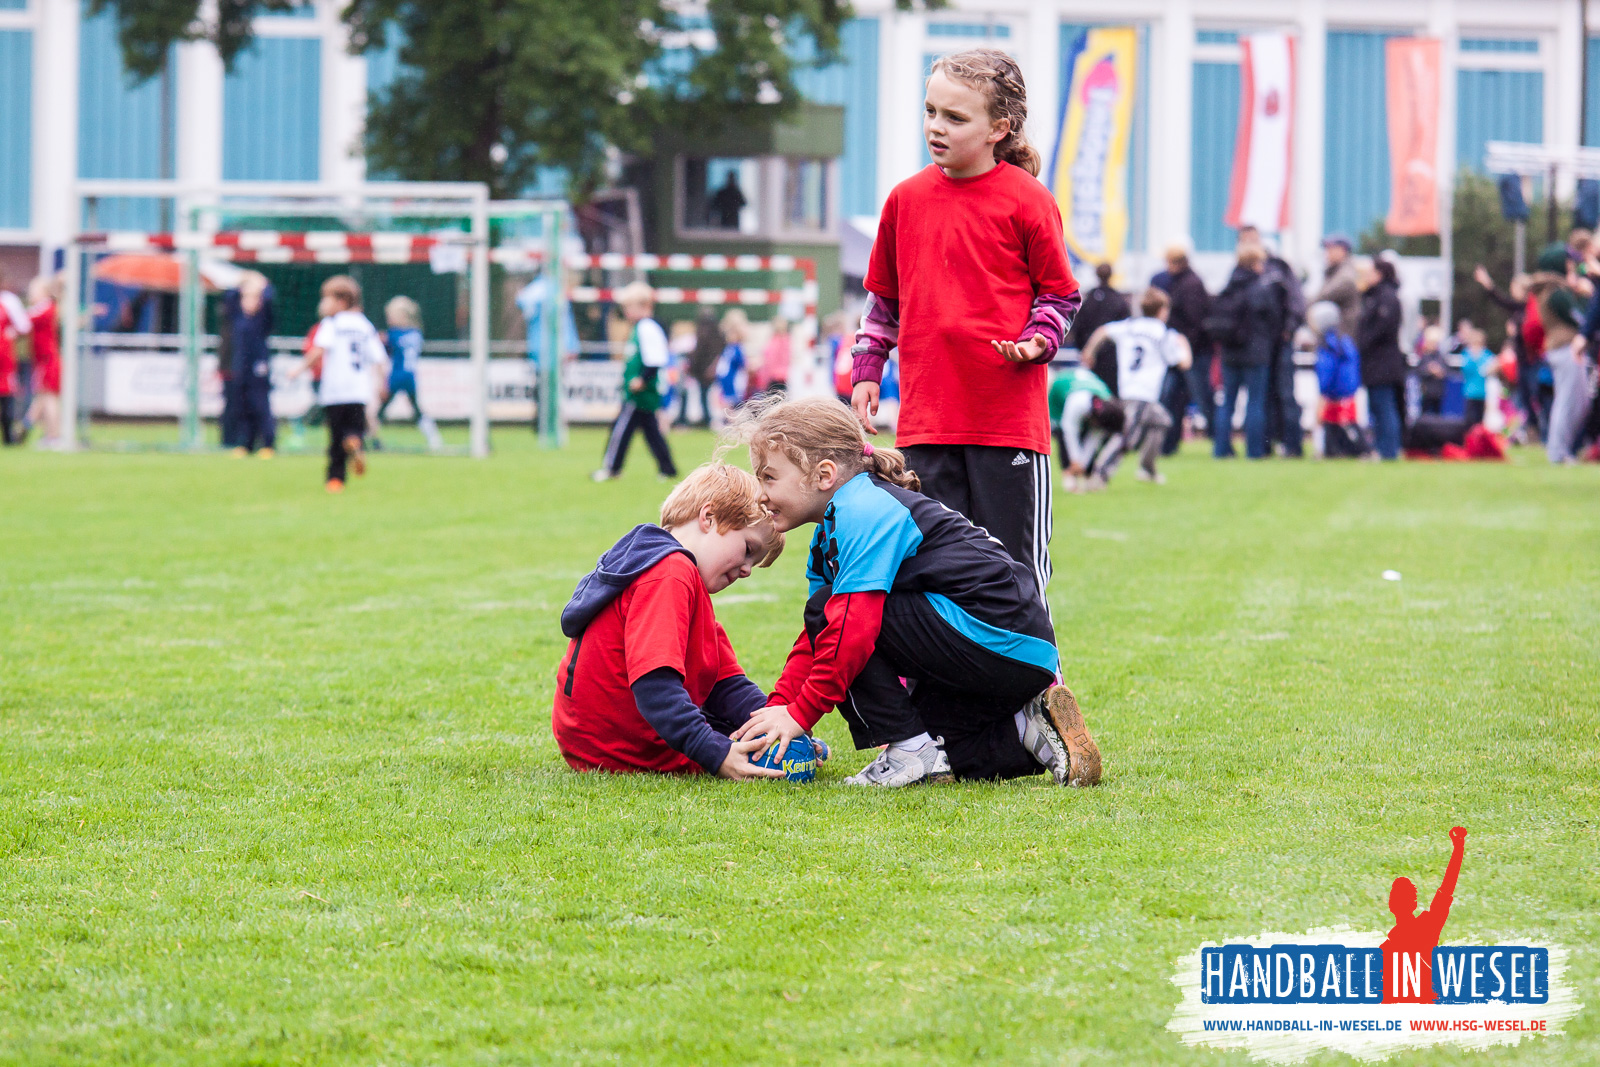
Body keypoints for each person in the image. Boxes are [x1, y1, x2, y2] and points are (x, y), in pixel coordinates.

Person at [730, 395, 1101, 789]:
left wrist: (800, 713)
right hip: (1016, 654)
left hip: (993, 634)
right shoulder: (829, 533)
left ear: (824, 475)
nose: (761, 493)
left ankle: (909, 750)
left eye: (769, 477)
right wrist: (779, 710)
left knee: (838, 617)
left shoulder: (861, 508)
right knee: (944, 750)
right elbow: (814, 636)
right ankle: (1027, 728)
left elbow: (847, 631)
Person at [848, 48, 1081, 601]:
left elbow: (1061, 294)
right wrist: (867, 370)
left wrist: (1036, 341)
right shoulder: (904, 200)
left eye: (955, 117)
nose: (936, 127)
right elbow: (884, 302)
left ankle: (1039, 686)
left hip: (1007, 426)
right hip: (927, 426)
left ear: (1000, 128)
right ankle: (944, 687)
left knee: (1016, 572)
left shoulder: (1029, 200)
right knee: (933, 569)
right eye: (930, 111)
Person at [551, 464, 791, 778]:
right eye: (748, 549)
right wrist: (716, 754)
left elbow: (725, 684)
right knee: (742, 752)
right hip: (621, 747)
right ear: (709, 517)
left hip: (609, 738)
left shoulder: (677, 573)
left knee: (755, 740)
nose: (746, 570)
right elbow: (655, 687)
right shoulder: (670, 572)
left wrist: (779, 725)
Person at [1078, 287, 1192, 485]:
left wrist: (1089, 351)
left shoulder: (1129, 326)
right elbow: (1183, 363)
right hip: (1143, 391)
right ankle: (1099, 474)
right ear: (1163, 310)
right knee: (1127, 437)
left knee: (1162, 421)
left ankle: (1147, 469)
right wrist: (1185, 345)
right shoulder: (1163, 333)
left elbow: (1103, 331)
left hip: (1129, 387)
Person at [295, 275, 385, 492]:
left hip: (335, 391)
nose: (323, 304)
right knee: (354, 429)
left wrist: (298, 369)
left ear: (341, 302)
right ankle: (355, 441)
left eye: (326, 299)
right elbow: (379, 359)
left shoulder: (331, 324)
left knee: (335, 439)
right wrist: (381, 384)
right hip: (359, 390)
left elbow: (318, 351)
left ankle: (335, 479)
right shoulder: (364, 325)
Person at [595, 281, 678, 482]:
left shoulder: (646, 327)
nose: (626, 312)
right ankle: (668, 469)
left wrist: (642, 380)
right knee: (651, 432)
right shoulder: (638, 329)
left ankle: (611, 468)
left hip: (642, 391)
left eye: (629, 307)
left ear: (644, 306)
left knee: (621, 428)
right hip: (643, 391)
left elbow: (655, 359)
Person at [1382, 827, 1467, 1004]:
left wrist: (1458, 848)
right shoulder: (1386, 948)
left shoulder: (1427, 927)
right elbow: (1446, 889)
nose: (1395, 900)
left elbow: (1447, 889)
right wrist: (1458, 847)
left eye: (1399, 896)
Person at [1208, 245, 1275, 459]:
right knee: (1255, 402)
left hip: (1230, 352)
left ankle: (1221, 449)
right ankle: (1254, 450)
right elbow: (1273, 318)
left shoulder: (1228, 286)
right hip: (1256, 353)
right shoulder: (1261, 288)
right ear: (1256, 263)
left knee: (1227, 401)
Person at [1530, 243, 1592, 463]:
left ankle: (1561, 450)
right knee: (1568, 403)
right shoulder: (1556, 293)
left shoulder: (1553, 290)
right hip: (1566, 349)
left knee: (1576, 402)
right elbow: (1581, 318)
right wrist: (1587, 296)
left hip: (1563, 349)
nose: (1572, 265)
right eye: (1568, 261)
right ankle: (1558, 452)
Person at [1150, 244, 1211, 451]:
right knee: (1175, 399)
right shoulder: (1184, 282)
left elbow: (1194, 322)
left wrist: (1181, 351)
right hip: (1181, 352)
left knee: (1199, 398)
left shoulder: (1190, 285)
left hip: (1189, 353)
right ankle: (1169, 444)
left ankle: (1219, 442)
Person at [1356, 256, 1407, 461]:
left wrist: (1364, 342)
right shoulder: (1375, 296)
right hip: (1376, 362)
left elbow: (1381, 329)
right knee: (1377, 406)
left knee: (1384, 406)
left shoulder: (1386, 297)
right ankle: (1382, 447)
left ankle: (1388, 450)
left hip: (1383, 362)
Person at [376, 296, 443, 450]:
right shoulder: (416, 334)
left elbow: (384, 347)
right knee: (416, 409)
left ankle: (370, 437)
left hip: (396, 376)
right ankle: (434, 438)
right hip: (411, 376)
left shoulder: (394, 334)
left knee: (380, 410)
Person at [223, 271, 276, 457]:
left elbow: (269, 297)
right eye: (246, 297)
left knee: (260, 405)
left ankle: (268, 444)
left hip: (258, 367)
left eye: (254, 298)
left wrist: (262, 283)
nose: (249, 301)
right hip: (241, 368)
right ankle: (245, 444)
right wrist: (242, 281)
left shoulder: (262, 320)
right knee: (242, 406)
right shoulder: (238, 317)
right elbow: (229, 296)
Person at [1049, 365, 1126, 492]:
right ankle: (1069, 478)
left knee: (1085, 437)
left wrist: (1082, 464)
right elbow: (1069, 430)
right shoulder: (1078, 403)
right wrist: (1074, 460)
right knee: (1062, 434)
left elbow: (1094, 439)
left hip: (1083, 388)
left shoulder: (1107, 409)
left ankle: (1084, 475)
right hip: (1059, 391)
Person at [1308, 300, 1364, 457]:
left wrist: (1323, 392)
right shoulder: (1344, 341)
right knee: (1338, 424)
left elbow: (1326, 370)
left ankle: (1360, 450)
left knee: (1334, 422)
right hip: (1347, 391)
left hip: (1334, 393)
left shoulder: (1327, 345)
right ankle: (1336, 451)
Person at [1067, 261, 1131, 392]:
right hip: (1111, 359)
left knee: (1091, 393)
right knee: (1108, 393)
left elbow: (1077, 327)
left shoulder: (1089, 300)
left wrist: (1083, 349)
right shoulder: (1118, 300)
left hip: (1090, 357)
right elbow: (1126, 330)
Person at [24, 276, 62, 448]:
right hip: (43, 359)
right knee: (43, 396)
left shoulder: (45, 308)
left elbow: (23, 319)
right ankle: (30, 428)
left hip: (47, 359)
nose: (30, 294)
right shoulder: (46, 307)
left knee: (49, 397)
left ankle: (54, 436)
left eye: (33, 290)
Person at [0, 280, 32, 446]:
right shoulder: (9, 301)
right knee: (6, 393)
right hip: (5, 354)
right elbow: (23, 327)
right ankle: (8, 437)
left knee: (7, 391)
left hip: (4, 356)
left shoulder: (8, 301)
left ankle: (8, 435)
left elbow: (24, 327)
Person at [1313, 234, 1362, 337]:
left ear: (1342, 251)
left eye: (1330, 249)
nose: (1327, 253)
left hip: (1342, 337)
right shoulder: (1334, 272)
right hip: (1336, 335)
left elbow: (1322, 297)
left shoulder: (1345, 276)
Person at [712, 308, 749, 423]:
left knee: (732, 402)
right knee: (726, 402)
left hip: (733, 380)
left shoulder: (736, 349)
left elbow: (741, 365)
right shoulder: (729, 348)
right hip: (726, 380)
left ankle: (733, 422)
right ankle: (729, 421)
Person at [1457, 324, 1496, 428]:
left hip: (1483, 392)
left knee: (1480, 421)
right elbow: (1465, 370)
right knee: (1469, 420)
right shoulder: (1466, 354)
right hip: (1470, 392)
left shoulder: (1487, 355)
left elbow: (1492, 369)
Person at [1414, 324, 1448, 416]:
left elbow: (1446, 371)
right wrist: (1430, 370)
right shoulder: (1424, 357)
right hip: (1426, 391)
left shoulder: (1440, 356)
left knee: (1437, 415)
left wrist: (1439, 371)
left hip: (1438, 392)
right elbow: (1419, 371)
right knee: (1424, 414)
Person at [760, 316, 792, 393]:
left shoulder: (778, 341)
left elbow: (770, 359)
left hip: (775, 377)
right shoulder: (785, 340)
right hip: (779, 376)